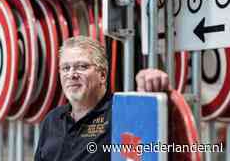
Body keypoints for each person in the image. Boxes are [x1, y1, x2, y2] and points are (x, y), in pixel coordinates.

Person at [34, 36, 171, 161]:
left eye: (82, 66)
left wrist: (155, 89)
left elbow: (155, 143)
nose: (71, 74)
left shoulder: (122, 115)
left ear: (102, 75)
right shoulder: (52, 120)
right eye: (65, 68)